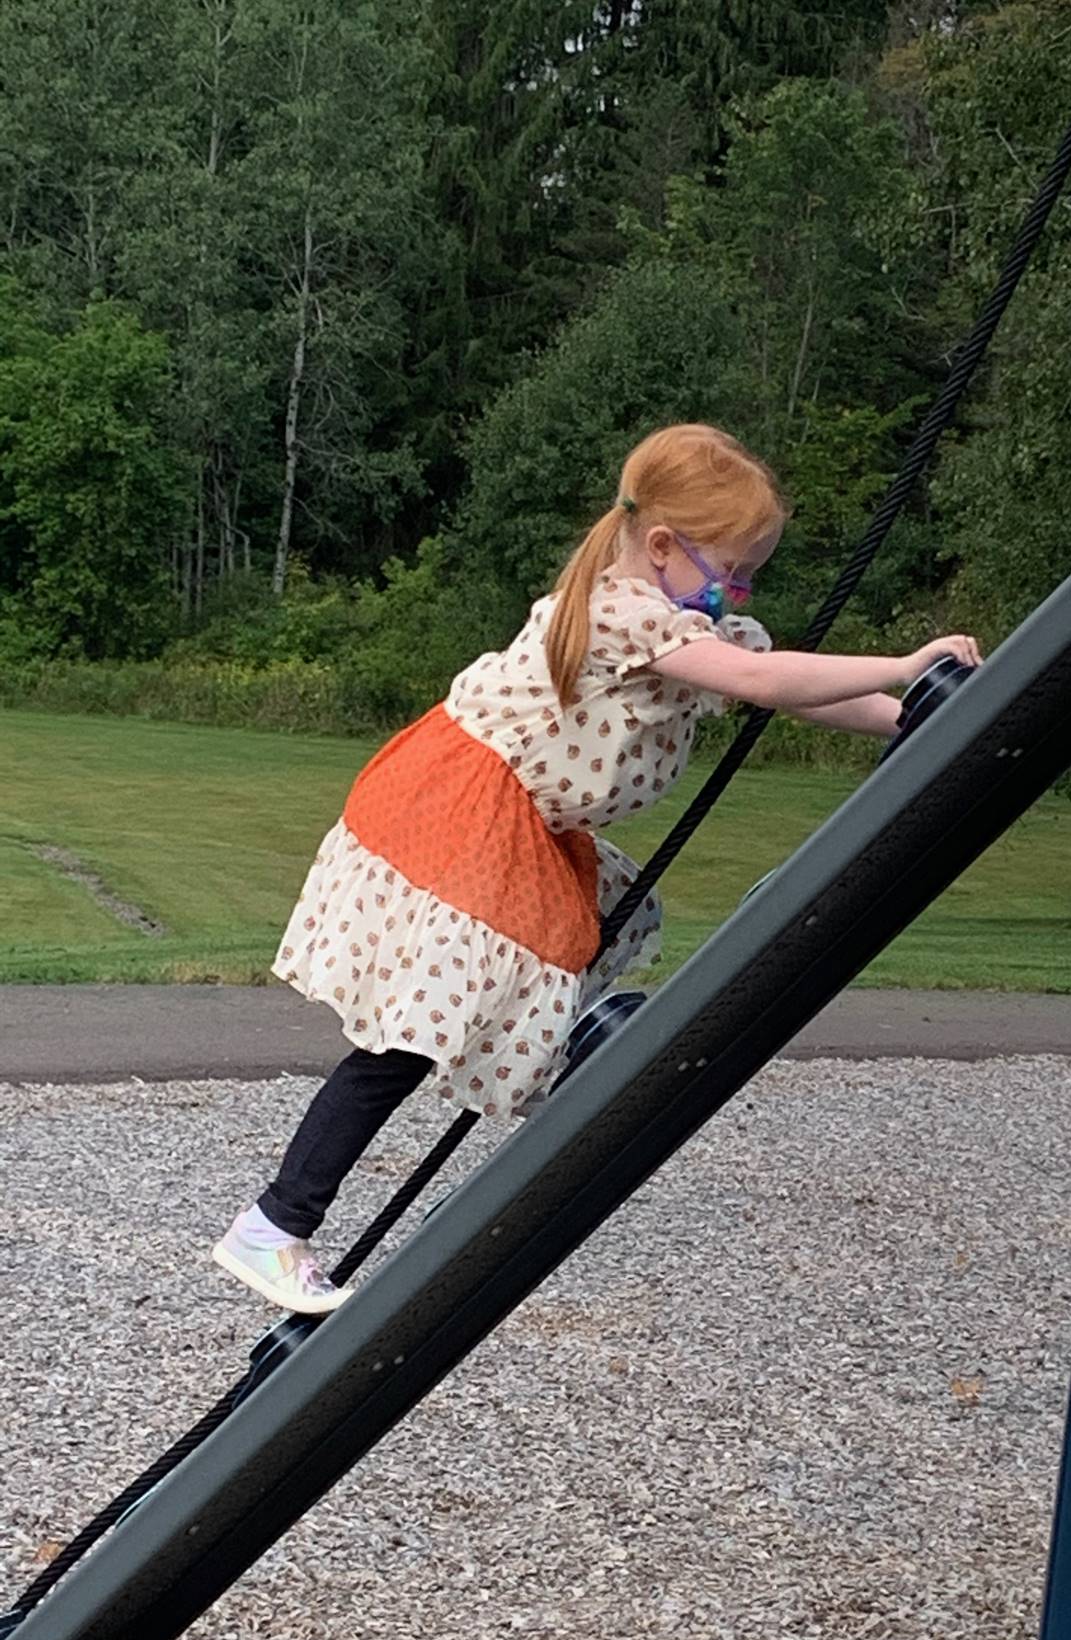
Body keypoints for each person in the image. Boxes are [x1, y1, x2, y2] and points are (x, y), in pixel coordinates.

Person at [213, 423, 981, 1315]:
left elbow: (803, 691)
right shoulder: (626, 614)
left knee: (552, 959)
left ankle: (543, 1065)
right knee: (399, 1044)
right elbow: (769, 685)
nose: (741, 591)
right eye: (735, 570)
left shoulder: (684, 620)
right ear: (663, 547)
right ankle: (273, 1227)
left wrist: (910, 715)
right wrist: (905, 661)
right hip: (464, 813)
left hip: (515, 824)